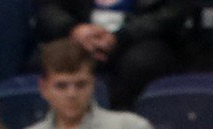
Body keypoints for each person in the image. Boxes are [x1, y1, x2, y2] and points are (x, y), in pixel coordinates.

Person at [13, 38, 172, 129]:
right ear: (44, 88)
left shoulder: (132, 127)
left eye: (81, 85)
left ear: (93, 84)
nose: (72, 94)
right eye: (61, 86)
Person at [35, 0, 198, 109]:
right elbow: (49, 7)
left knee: (140, 63)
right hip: (77, 36)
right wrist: (73, 29)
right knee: (45, 61)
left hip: (143, 39)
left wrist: (121, 37)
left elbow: (172, 12)